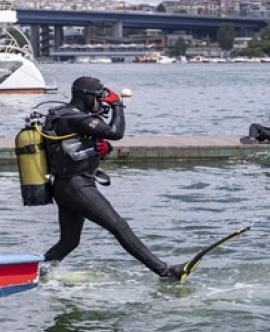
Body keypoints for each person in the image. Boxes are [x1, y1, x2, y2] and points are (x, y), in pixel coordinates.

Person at [41, 75, 183, 279]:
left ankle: (39, 272)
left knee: (69, 242)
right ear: (85, 96)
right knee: (118, 225)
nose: (100, 102)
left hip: (68, 185)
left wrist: (95, 148)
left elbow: (77, 145)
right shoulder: (73, 116)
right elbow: (115, 131)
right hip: (76, 185)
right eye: (98, 98)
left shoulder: (70, 115)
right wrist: (117, 105)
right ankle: (164, 271)